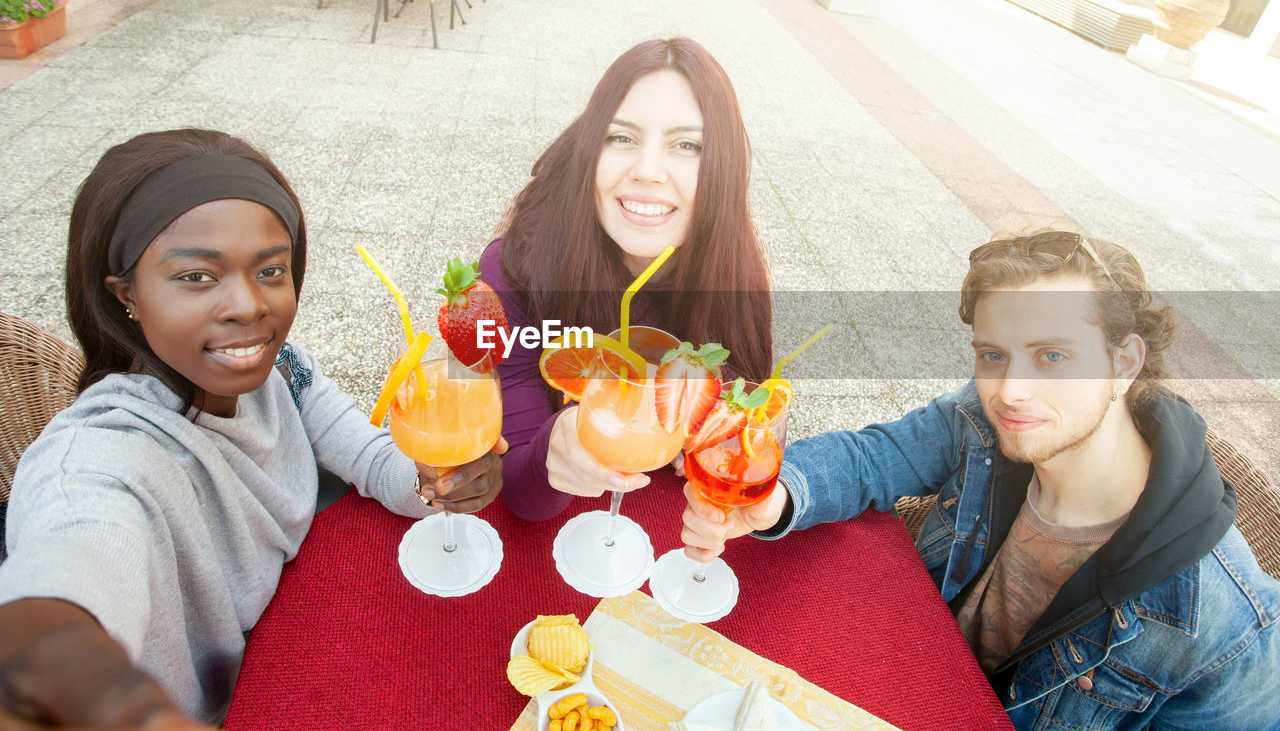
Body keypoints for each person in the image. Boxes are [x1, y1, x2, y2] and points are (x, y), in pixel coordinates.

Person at [0, 129, 505, 728]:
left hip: (301, 637)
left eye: (270, 270)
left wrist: (437, 483)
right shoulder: (104, 459)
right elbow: (71, 564)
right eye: (196, 276)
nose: (248, 306)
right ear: (126, 294)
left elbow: (369, 455)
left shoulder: (283, 375)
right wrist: (79, 685)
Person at [679, 228, 1280, 729]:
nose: (1010, 391)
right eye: (993, 354)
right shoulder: (982, 420)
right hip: (899, 674)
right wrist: (776, 499)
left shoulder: (1221, 623)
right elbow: (873, 457)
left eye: (1052, 357)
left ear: (1124, 363)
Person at [480, 37, 773, 521]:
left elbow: (745, 417)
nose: (648, 171)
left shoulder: (733, 273)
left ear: (724, 167)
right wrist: (552, 453)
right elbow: (519, 493)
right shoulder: (517, 269)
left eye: (687, 145)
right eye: (622, 137)